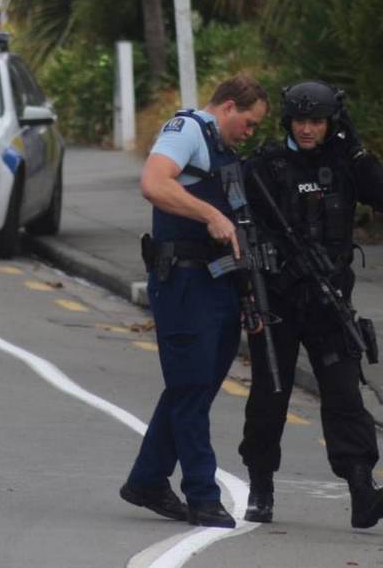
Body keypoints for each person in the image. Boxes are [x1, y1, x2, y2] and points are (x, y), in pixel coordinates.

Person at [238, 81, 383, 528]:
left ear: (331, 123)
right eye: (300, 120)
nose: (308, 129)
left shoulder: (344, 163)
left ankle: (360, 489)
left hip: (329, 304)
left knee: (345, 395)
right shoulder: (266, 167)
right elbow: (240, 229)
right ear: (287, 121)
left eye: (317, 121)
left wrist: (356, 151)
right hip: (278, 303)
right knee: (270, 396)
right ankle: (261, 488)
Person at [120, 76, 270, 529]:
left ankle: (147, 479)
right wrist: (210, 214)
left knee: (196, 387)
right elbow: (153, 184)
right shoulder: (187, 130)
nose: (250, 132)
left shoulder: (225, 149)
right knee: (189, 387)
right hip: (183, 283)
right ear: (227, 107)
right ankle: (203, 495)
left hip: (218, 283)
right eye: (248, 122)